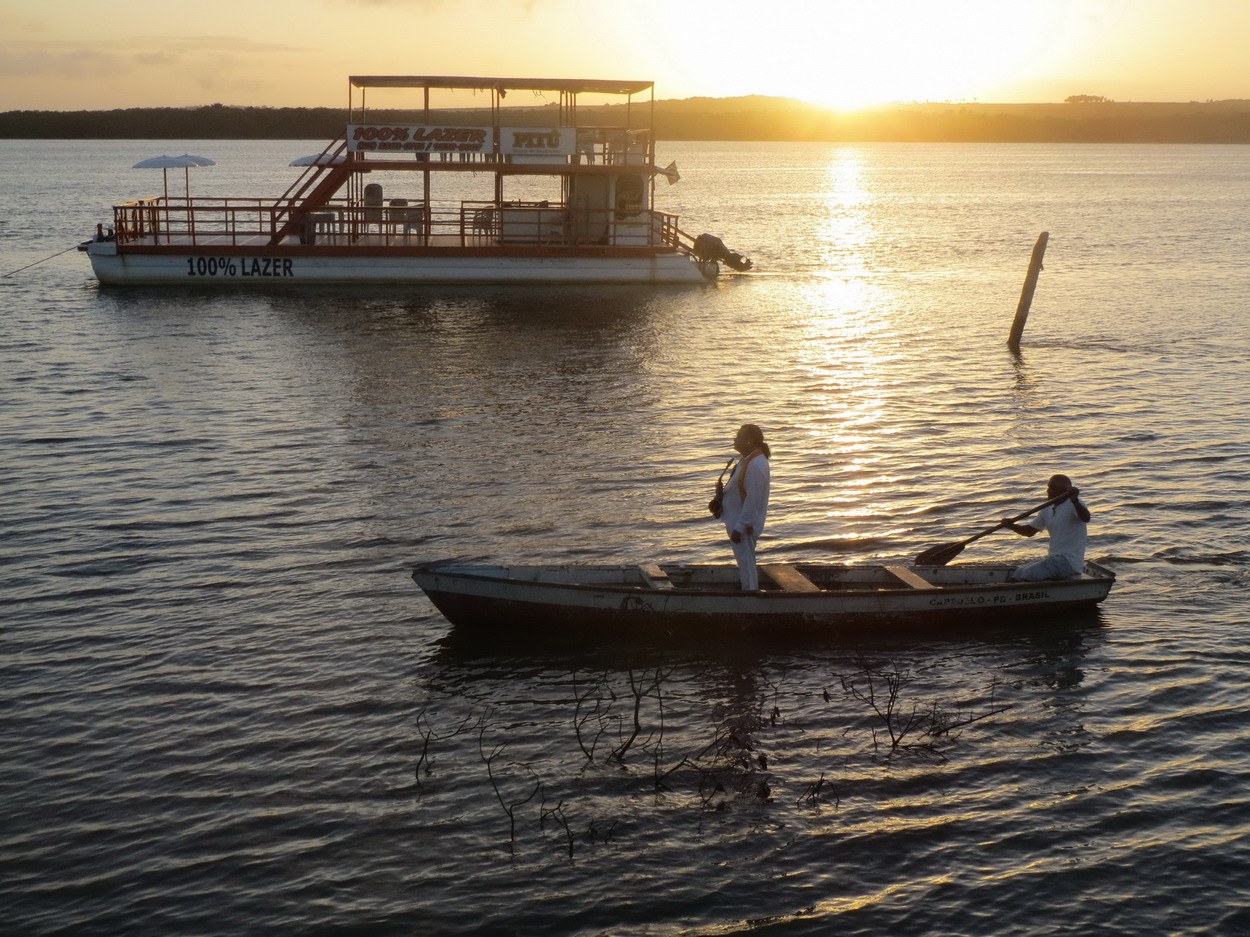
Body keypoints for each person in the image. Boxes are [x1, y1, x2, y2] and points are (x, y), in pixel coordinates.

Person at [1002, 474, 1091, 581]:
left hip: (1069, 562)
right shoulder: (1047, 508)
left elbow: (1085, 518)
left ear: (1065, 490)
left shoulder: (1075, 504)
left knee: (1027, 574)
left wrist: (1075, 501)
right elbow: (1029, 531)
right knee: (1018, 572)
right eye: (1048, 487)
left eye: (1053, 488)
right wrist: (1011, 526)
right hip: (1054, 558)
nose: (1048, 491)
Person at [721, 424, 771, 591]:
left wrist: (740, 527)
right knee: (744, 560)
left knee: (747, 561)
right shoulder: (748, 459)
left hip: (744, 525)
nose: (735, 439)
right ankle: (747, 589)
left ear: (749, 441)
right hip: (737, 520)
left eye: (739, 436)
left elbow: (753, 500)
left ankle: (750, 593)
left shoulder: (756, 464)